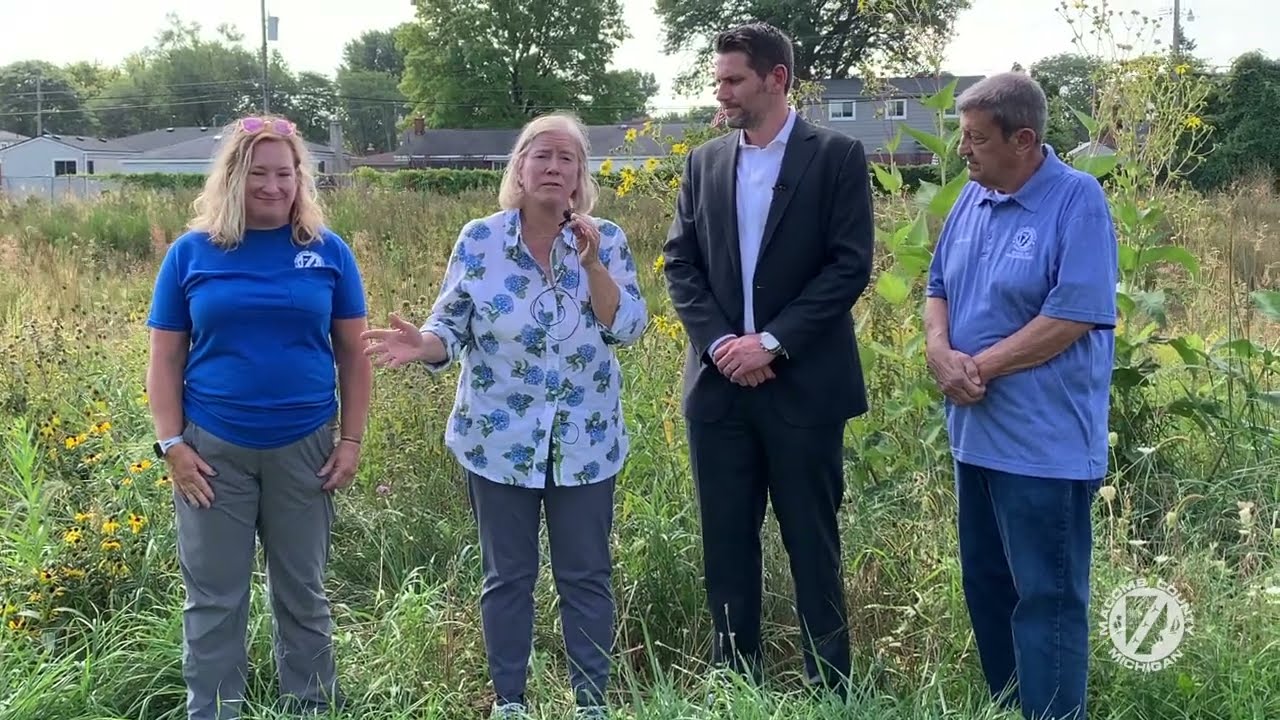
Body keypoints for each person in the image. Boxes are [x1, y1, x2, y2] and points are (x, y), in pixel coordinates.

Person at [361, 111, 648, 719]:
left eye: (565, 159)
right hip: (498, 440)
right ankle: (510, 702)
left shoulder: (609, 238)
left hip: (585, 440)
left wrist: (593, 262)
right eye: (540, 156)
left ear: (579, 175)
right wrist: (425, 346)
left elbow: (627, 327)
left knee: (587, 576)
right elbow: (451, 324)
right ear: (518, 168)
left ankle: (591, 704)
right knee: (507, 577)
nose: (552, 168)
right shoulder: (481, 239)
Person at [661, 22, 875, 696]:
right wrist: (724, 345)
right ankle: (736, 686)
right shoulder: (703, 162)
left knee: (813, 545)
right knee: (726, 544)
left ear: (776, 79)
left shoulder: (837, 157)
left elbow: (849, 266)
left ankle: (830, 688)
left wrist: (772, 341)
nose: (719, 92)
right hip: (719, 392)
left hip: (804, 388)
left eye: (732, 80)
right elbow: (680, 263)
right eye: (718, 79)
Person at [145, 114, 372, 720]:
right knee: (215, 600)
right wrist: (171, 444)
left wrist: (350, 440)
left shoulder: (328, 252)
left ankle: (311, 707)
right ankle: (214, 710)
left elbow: (354, 353)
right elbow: (165, 358)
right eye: (257, 174)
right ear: (232, 179)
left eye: (285, 173)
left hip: (307, 449)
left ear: (301, 179)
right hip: (211, 452)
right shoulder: (191, 253)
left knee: (303, 595)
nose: (272, 186)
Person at [924, 71, 1117, 720]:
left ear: (1025, 139)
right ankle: (1011, 708)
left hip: (1043, 448)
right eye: (962, 135)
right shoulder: (970, 201)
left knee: (1047, 602)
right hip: (974, 440)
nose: (964, 150)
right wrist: (938, 352)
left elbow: (1073, 314)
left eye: (977, 139)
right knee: (988, 589)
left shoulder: (1076, 200)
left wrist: (978, 367)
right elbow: (937, 287)